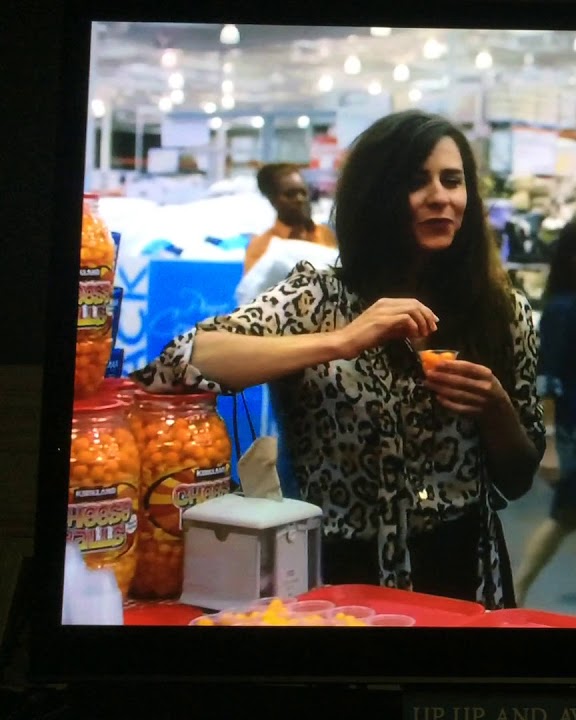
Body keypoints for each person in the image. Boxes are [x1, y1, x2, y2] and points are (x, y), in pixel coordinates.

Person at [132, 111, 545, 608]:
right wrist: (343, 340)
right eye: (417, 182)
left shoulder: (502, 312)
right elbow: (181, 361)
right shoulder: (320, 296)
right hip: (335, 577)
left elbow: (520, 477)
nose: (441, 196)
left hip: (465, 576)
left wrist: (496, 408)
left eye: (452, 181)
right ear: (377, 196)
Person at [512, 220, 576, 606]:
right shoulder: (562, 309)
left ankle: (517, 589)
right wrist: (550, 443)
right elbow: (548, 378)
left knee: (566, 517)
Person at [242, 162, 337, 275]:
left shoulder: (327, 235)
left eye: (303, 192)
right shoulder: (261, 247)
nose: (299, 199)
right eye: (290, 194)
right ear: (273, 200)